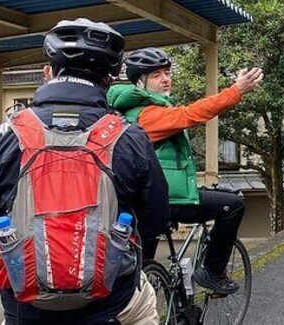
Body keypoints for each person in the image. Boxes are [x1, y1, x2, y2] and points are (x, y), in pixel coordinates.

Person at [0, 19, 169, 325]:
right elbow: (155, 216)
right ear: (109, 79)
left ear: (48, 72)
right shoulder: (130, 137)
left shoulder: (6, 134)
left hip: (25, 302)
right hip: (109, 300)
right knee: (147, 305)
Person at [107, 47, 263, 294]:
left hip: (150, 200)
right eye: (156, 75)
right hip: (167, 200)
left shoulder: (137, 111)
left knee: (141, 272)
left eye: (167, 72)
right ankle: (212, 272)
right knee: (232, 205)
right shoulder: (146, 115)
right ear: (140, 82)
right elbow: (191, 114)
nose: (165, 78)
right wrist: (235, 91)